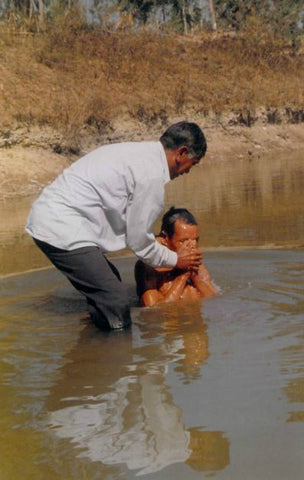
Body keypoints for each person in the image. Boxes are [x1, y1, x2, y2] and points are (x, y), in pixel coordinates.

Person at [25, 121, 207, 330]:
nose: (188, 171)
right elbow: (139, 242)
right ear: (181, 153)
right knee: (115, 301)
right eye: (193, 163)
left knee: (110, 283)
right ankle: (114, 355)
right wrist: (177, 260)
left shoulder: (140, 155)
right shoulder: (151, 175)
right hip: (60, 225)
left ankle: (92, 341)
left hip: (57, 218)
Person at [135, 207, 218, 307]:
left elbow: (214, 299)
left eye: (196, 240)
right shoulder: (148, 265)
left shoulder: (192, 258)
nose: (191, 247)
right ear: (165, 238)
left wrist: (194, 276)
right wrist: (183, 276)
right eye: (183, 241)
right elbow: (153, 310)